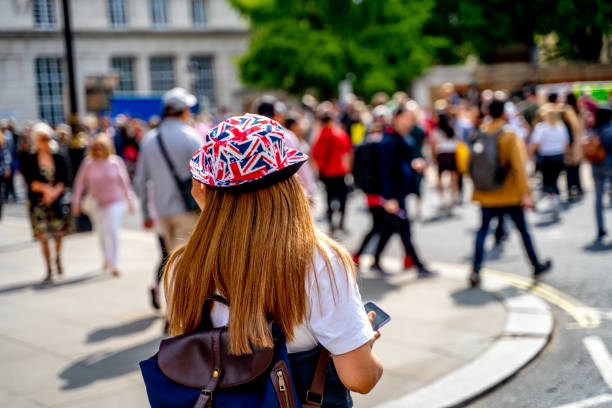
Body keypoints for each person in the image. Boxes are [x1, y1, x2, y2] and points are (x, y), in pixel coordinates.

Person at [165, 113, 383, 404]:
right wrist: (363, 341)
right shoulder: (319, 260)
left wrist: (212, 214)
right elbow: (360, 378)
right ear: (289, 182)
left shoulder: (185, 264)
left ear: (204, 188)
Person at [470, 100, 551, 287]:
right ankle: (536, 265)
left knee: (482, 231)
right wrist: (526, 194)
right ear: (504, 113)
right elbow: (519, 168)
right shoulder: (509, 135)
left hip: (486, 193)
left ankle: (475, 269)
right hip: (509, 193)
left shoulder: (480, 132)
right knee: (523, 231)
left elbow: (470, 163)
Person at [134, 87, 203, 306]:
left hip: (162, 211)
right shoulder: (191, 137)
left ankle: (172, 309)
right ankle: (179, 313)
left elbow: (140, 181)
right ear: (183, 111)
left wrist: (145, 212)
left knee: (171, 262)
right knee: (188, 265)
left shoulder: (149, 140)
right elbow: (207, 176)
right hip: (188, 210)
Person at [370, 104, 434, 277]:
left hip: (400, 192)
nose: (411, 121)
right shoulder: (389, 140)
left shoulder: (401, 137)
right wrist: (388, 198)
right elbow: (384, 171)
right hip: (394, 195)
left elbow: (401, 163)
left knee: (390, 228)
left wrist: (414, 165)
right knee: (404, 229)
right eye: (408, 117)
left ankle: (375, 260)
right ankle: (418, 265)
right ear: (397, 117)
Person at [72, 134, 135, 277]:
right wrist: (75, 202)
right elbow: (79, 183)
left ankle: (114, 262)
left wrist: (130, 200)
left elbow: (124, 182)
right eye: (96, 147)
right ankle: (106, 257)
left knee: (112, 231)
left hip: (114, 201)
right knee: (101, 232)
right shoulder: (88, 163)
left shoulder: (115, 162)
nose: (99, 149)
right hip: (96, 203)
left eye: (102, 146)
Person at [21, 123, 72, 282]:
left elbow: (65, 179)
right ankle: (48, 267)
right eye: (42, 138)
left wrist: (54, 192)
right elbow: (30, 181)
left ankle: (57, 257)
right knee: (43, 237)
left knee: (58, 235)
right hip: (39, 204)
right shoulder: (30, 159)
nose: (45, 141)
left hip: (56, 202)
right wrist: (45, 190)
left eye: (48, 138)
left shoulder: (59, 157)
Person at [311, 113, 353, 234]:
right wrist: (348, 170)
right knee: (343, 199)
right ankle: (341, 224)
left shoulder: (319, 137)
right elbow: (347, 154)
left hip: (326, 174)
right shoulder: (340, 135)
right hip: (340, 173)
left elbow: (314, 155)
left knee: (329, 200)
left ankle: (331, 226)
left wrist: (318, 171)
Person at [530, 104, 569, 217]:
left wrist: (532, 154)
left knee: (547, 180)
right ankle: (555, 198)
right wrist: (565, 156)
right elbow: (565, 144)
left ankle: (553, 199)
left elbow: (536, 143)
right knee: (555, 179)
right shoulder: (561, 126)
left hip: (547, 157)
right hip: (558, 156)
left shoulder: (541, 127)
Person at [590, 108, 612, 242]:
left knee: (598, 198)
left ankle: (600, 228)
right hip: (609, 166)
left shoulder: (593, 130)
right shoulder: (609, 130)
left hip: (596, 166)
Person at [432, 111, 459, 213]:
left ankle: (443, 200)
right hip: (451, 155)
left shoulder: (437, 131)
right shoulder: (451, 130)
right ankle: (452, 200)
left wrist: (434, 157)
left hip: (442, 155)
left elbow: (434, 145)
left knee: (440, 179)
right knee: (453, 180)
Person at [564, 93, 585, 200]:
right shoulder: (580, 111)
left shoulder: (567, 112)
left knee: (569, 170)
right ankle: (579, 188)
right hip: (579, 144)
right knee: (577, 168)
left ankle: (571, 190)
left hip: (570, 144)